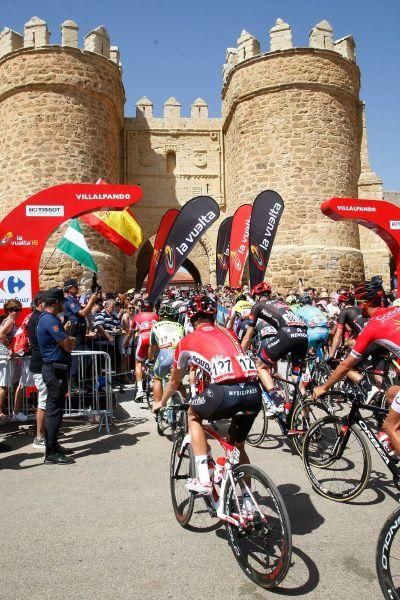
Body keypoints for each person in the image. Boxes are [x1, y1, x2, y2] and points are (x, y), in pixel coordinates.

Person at [154, 295, 261, 495]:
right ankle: (247, 502)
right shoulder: (229, 332)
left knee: (193, 415)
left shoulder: (186, 341)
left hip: (224, 392)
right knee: (237, 447)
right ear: (213, 317)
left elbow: (174, 382)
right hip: (254, 392)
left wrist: (162, 401)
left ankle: (204, 478)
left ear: (190, 319)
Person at [313, 277, 400, 452]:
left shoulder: (372, 326)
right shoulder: (397, 309)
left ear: (364, 303)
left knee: (390, 427)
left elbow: (346, 365)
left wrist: (324, 387)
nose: (359, 307)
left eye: (359, 303)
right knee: (391, 393)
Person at [241, 281, 308, 412]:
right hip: (303, 335)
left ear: (256, 296)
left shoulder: (257, 305)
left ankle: (277, 402)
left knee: (259, 366)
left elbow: (248, 336)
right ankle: (306, 416)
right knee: (296, 376)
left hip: (287, 334)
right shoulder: (282, 303)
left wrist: (239, 355)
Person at [37, 288, 77, 465]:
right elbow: (67, 345)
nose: (64, 305)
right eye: (62, 302)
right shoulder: (49, 320)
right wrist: (70, 339)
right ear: (55, 303)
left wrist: (66, 337)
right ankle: (51, 451)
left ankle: (54, 445)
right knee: (53, 410)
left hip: (56, 368)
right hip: (54, 369)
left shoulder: (49, 319)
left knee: (57, 408)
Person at [148, 304, 185, 407]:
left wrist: (150, 358)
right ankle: (184, 408)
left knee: (158, 378)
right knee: (178, 381)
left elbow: (152, 347)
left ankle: (158, 406)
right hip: (181, 355)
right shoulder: (180, 326)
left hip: (165, 354)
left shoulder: (156, 326)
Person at [63, 278, 99, 381]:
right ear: (69, 289)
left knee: (86, 357)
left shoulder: (74, 299)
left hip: (81, 331)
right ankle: (73, 381)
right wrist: (91, 301)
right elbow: (82, 313)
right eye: (75, 287)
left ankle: (82, 380)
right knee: (77, 358)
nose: (78, 288)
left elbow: (85, 313)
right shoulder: (69, 300)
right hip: (75, 331)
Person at [127, 301, 159, 402]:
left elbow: (131, 332)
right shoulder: (155, 315)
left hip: (144, 337)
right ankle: (155, 382)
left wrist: (126, 342)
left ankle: (140, 390)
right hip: (155, 338)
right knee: (155, 360)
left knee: (138, 362)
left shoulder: (137, 316)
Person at [28, 291, 47, 449]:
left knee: (46, 400)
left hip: (40, 363)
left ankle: (43, 433)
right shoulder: (37, 318)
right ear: (41, 303)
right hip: (40, 364)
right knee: (44, 401)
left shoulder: (37, 317)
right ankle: (39, 437)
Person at [0, 298, 24, 421]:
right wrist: (9, 348)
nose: (19, 312)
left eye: (19, 309)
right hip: (6, 357)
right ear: (9, 311)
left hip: (7, 357)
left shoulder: (9, 320)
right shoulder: (9, 321)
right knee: (4, 385)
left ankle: (10, 412)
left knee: (8, 384)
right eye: (16, 309)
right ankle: (0, 413)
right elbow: (1, 334)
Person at [294, 292, 329, 356]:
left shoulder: (300, 310)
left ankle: (307, 362)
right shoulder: (317, 309)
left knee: (306, 350)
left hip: (314, 333)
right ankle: (321, 362)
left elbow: (295, 324)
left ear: (301, 303)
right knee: (317, 350)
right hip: (326, 332)